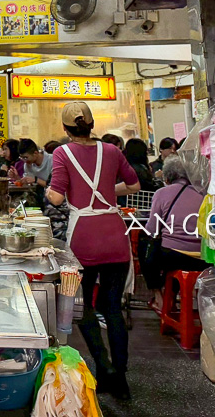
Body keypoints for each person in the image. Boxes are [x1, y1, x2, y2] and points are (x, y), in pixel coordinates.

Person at [47, 102, 140, 400]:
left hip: (84, 237)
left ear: (66, 129)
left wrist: (48, 190)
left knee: (83, 305)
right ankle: (121, 377)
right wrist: (109, 193)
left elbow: (56, 197)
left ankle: (103, 364)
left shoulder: (62, 153)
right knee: (112, 308)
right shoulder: (111, 151)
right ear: (91, 124)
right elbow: (134, 185)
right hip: (114, 234)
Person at [141, 157, 206, 310]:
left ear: (168, 176)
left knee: (145, 244)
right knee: (174, 258)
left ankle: (159, 296)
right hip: (203, 258)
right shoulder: (204, 194)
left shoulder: (162, 193)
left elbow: (152, 229)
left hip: (172, 257)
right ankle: (170, 294)